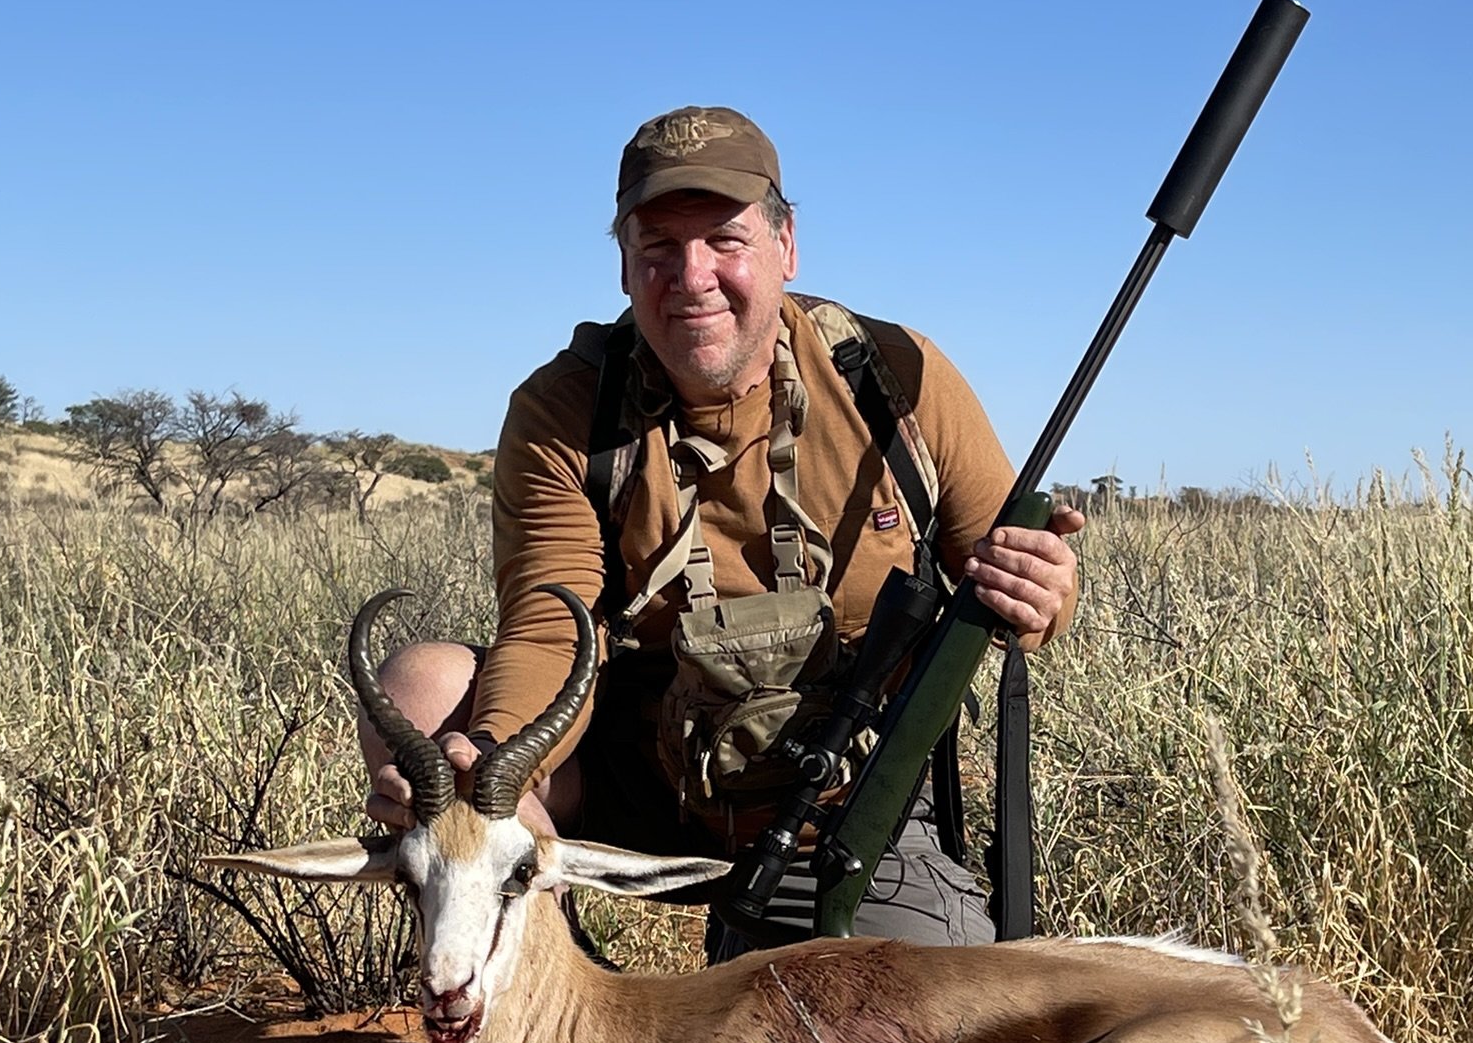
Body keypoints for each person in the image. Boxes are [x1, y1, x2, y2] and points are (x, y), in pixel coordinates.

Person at [361, 105, 1083, 960]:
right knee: (425, 684)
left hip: (845, 797)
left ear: (787, 246)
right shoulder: (564, 409)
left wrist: (1044, 594)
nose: (691, 276)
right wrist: (490, 757)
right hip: (650, 776)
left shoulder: (898, 378)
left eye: (725, 241)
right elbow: (552, 621)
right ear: (624, 263)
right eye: (658, 247)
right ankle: (531, 1019)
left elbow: (1009, 588)